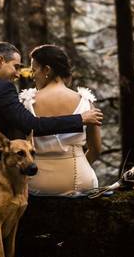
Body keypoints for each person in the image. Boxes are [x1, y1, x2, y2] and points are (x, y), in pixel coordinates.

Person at [0, 42, 103, 200]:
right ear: (0, 61)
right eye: (16, 66)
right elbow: (32, 125)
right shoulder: (3, 89)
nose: (18, 74)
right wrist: (80, 119)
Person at [19, 44, 102, 196]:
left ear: (47, 70)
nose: (32, 75)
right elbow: (96, 149)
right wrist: (80, 165)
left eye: (34, 70)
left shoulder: (27, 103)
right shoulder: (85, 101)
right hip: (79, 181)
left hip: (38, 184)